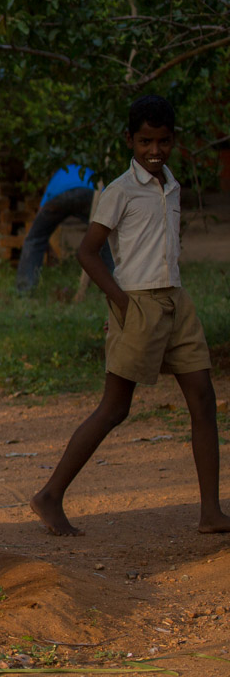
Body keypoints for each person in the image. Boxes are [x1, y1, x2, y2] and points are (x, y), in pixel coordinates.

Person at [30, 95, 230, 537]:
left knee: (203, 400)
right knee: (115, 408)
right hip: (137, 304)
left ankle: (211, 513)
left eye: (163, 141)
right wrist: (122, 304)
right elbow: (88, 252)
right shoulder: (120, 191)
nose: (154, 150)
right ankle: (49, 495)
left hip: (177, 302)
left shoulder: (172, 186)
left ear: (173, 140)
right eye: (145, 141)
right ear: (130, 140)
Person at [14, 164, 114, 295]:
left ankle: (25, 288)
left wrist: (41, 233)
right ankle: (111, 288)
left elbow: (41, 210)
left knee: (35, 238)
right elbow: (106, 204)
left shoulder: (59, 174)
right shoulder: (92, 173)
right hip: (88, 193)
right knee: (105, 237)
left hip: (59, 195)